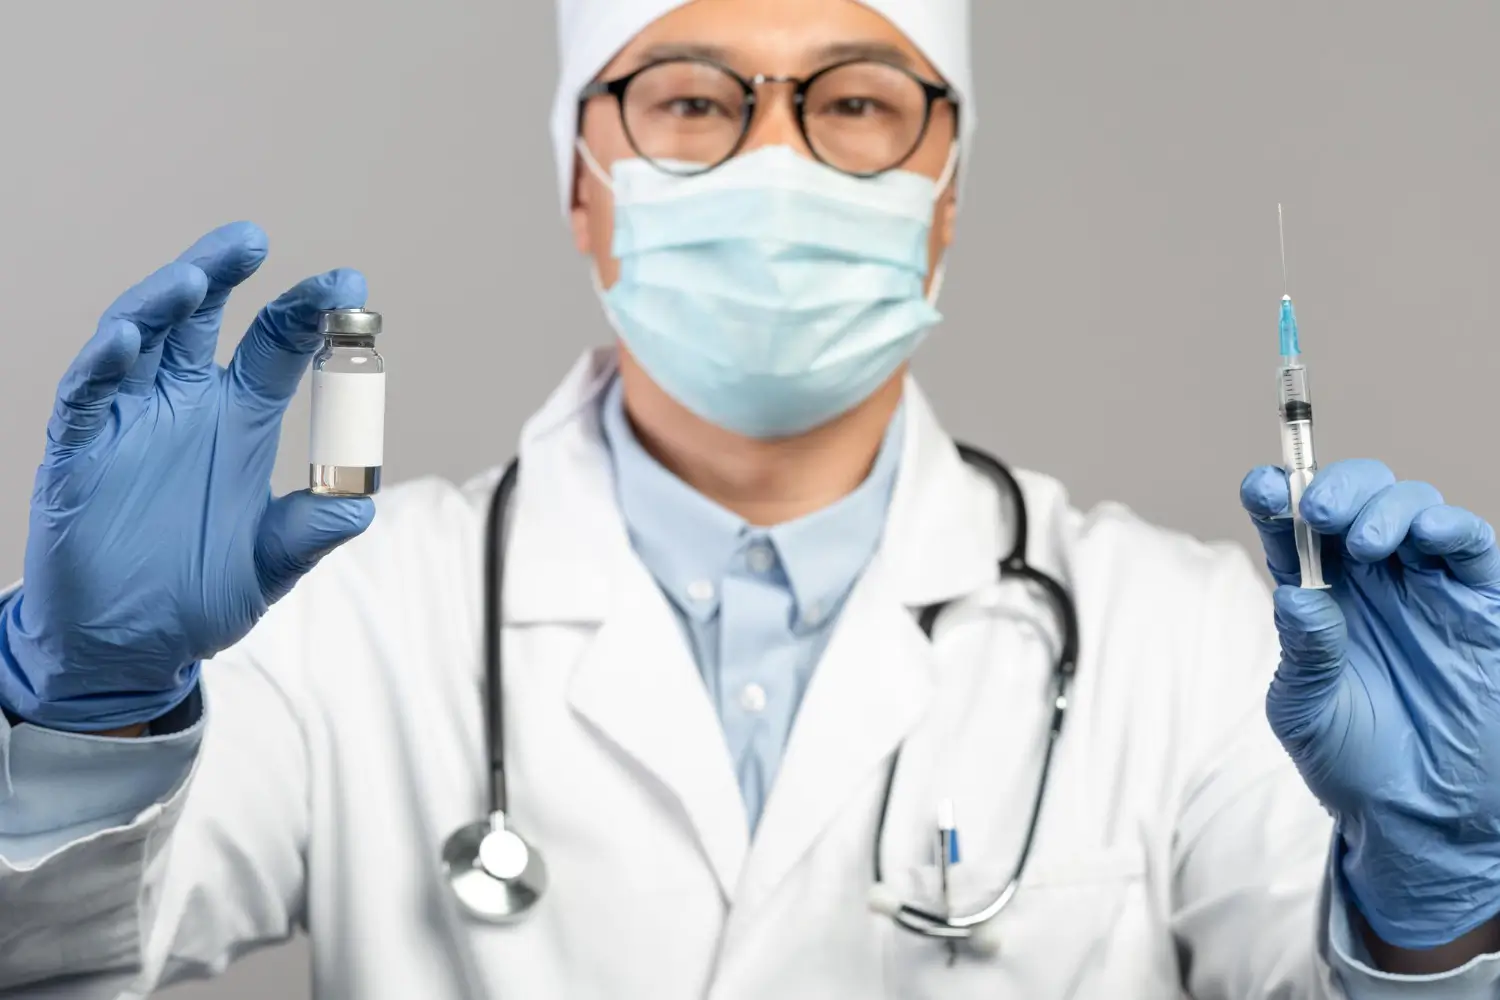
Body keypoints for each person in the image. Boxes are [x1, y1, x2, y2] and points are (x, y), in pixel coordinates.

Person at [3, 0, 1500, 996]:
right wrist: (84, 719)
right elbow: (53, 964)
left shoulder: (1186, 639)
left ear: (945, 192)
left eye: (853, 102)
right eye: (696, 100)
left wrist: (1439, 908)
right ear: (583, 180)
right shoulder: (348, 628)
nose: (775, 159)